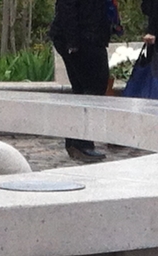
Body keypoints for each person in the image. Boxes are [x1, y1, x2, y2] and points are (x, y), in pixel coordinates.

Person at [49, 0, 113, 162]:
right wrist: (73, 43)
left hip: (87, 35)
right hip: (82, 37)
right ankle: (81, 142)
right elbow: (67, 6)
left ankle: (77, 141)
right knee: (93, 88)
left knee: (83, 90)